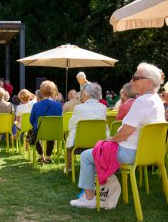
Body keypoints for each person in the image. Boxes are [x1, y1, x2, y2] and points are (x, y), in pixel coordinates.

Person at [70, 63, 165, 208]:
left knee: (87, 156)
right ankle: (103, 190)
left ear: (148, 82)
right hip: (149, 153)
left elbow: (127, 131)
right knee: (100, 150)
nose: (132, 80)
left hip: (130, 152)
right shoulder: (157, 100)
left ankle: (89, 199)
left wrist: (111, 139)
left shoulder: (142, 101)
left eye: (136, 77)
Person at [65, 83, 108, 170]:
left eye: (82, 94)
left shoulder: (78, 108)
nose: (81, 96)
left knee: (69, 141)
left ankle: (68, 168)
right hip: (99, 141)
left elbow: (71, 125)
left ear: (87, 94)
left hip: (80, 143)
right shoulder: (103, 107)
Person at [29, 80, 62, 163]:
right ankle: (47, 157)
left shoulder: (36, 105)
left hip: (40, 132)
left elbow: (31, 120)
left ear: (41, 91)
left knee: (34, 133)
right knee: (51, 135)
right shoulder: (58, 105)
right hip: (54, 132)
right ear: (53, 91)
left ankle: (40, 156)